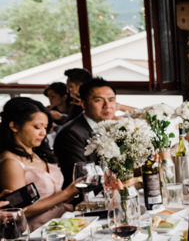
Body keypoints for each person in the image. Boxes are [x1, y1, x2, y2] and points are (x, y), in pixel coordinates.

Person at [0, 98, 80, 230]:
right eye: (37, 127)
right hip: (38, 234)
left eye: (45, 127)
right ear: (14, 126)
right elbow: (19, 212)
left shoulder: (39, 154)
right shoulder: (11, 163)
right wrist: (66, 193)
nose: (43, 132)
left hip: (64, 224)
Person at [54, 78, 118, 187]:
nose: (107, 105)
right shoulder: (71, 134)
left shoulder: (113, 127)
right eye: (99, 100)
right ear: (83, 104)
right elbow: (82, 178)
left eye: (111, 100)